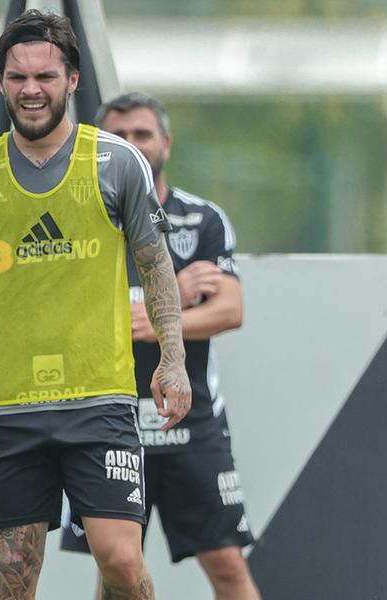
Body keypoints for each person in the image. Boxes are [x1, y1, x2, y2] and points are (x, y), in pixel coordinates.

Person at [0, 11, 191, 600]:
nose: (31, 89)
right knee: (14, 580)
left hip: (100, 400)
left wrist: (173, 356)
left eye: (45, 76)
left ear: (72, 80)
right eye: (17, 77)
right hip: (12, 408)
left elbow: (155, 265)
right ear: (1, 85)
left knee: (120, 562)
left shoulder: (118, 162)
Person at [60, 92, 262, 600]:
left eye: (142, 134)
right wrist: (172, 294)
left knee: (226, 561)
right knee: (118, 567)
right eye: (117, 136)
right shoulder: (76, 220)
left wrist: (149, 318)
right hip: (104, 419)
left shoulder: (202, 220)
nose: (131, 145)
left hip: (188, 419)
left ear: (165, 143)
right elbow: (72, 320)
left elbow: (230, 310)